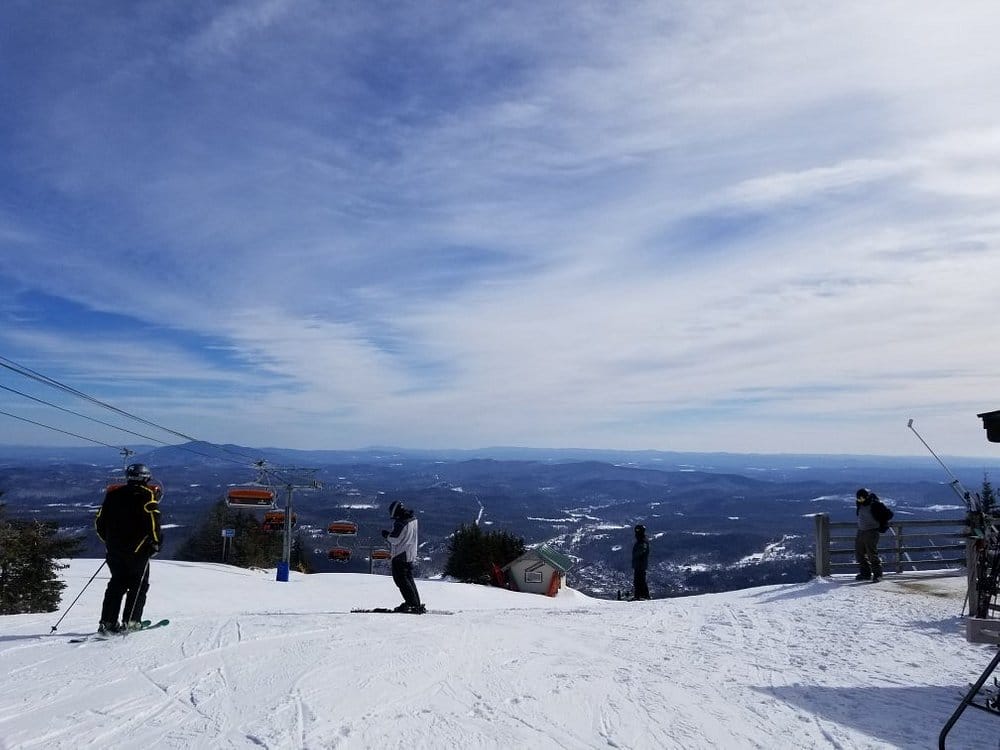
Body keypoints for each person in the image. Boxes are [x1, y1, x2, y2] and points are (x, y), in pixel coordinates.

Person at [95, 463, 162, 633]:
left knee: (116, 584)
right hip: (138, 549)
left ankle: (107, 622)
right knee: (138, 585)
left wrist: (110, 542)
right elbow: (153, 521)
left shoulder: (113, 494)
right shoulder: (147, 494)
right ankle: (131, 621)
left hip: (114, 549)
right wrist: (156, 543)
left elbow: (100, 522)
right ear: (146, 478)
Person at [381, 500, 424, 613]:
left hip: (401, 555)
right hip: (410, 553)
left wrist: (386, 535)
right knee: (408, 578)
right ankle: (415, 603)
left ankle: (412, 604)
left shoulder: (401, 523)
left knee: (401, 580)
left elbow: (395, 539)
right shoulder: (412, 518)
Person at [855, 488, 893, 582]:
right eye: (858, 498)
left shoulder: (875, 505)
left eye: (861, 498)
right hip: (861, 531)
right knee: (859, 553)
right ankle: (865, 573)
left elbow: (889, 514)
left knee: (872, 554)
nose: (860, 500)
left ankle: (878, 574)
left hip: (872, 531)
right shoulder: (860, 504)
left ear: (866, 497)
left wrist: (881, 524)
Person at [632, 524, 651, 600]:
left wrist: (636, 554)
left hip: (640, 564)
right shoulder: (641, 540)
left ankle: (642, 596)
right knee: (639, 580)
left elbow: (641, 551)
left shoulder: (642, 541)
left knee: (640, 580)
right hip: (639, 564)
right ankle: (640, 595)